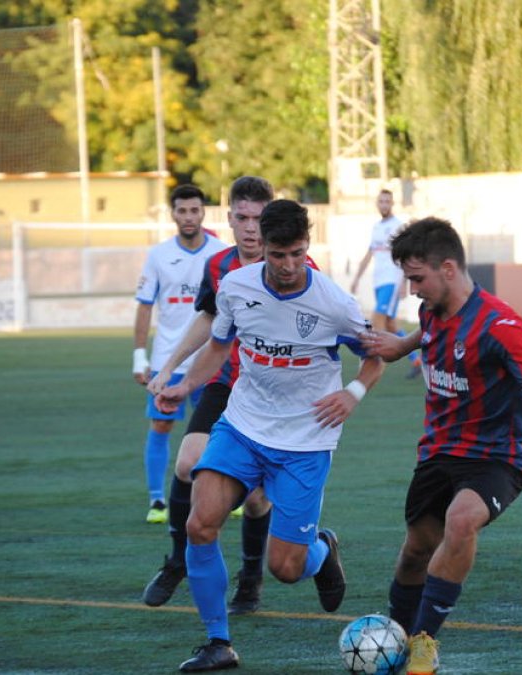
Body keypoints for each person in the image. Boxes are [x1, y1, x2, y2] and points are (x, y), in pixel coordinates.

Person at [360, 217, 522, 675]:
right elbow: (428, 334)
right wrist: (401, 346)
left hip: (496, 457)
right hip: (438, 451)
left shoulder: (500, 326)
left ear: (448, 268)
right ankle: (397, 637)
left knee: (461, 520)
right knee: (416, 551)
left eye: (418, 278)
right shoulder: (431, 310)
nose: (412, 290)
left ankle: (424, 643)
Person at [158, 199, 385, 672]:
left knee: (285, 568)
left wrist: (354, 392)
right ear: (262, 246)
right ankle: (218, 642)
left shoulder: (334, 303)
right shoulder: (235, 287)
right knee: (201, 524)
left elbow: (374, 357)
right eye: (278, 255)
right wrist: (185, 385)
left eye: (297, 254)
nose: (287, 265)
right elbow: (219, 346)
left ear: (308, 246)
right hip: (243, 426)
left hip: (305, 442)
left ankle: (321, 551)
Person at [141, 176, 278, 614]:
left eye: (258, 219)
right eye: (242, 217)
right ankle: (178, 560)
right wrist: (170, 369)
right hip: (225, 383)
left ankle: (251, 579)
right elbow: (207, 318)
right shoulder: (218, 265)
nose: (251, 228)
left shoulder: (290, 264)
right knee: (186, 464)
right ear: (229, 218)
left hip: (269, 393)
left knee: (255, 498)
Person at [132, 184, 228, 523]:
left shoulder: (221, 254)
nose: (188, 217)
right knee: (161, 425)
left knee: (218, 430)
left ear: (203, 213)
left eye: (194, 210)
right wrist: (139, 357)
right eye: (182, 210)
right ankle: (158, 501)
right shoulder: (158, 255)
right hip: (167, 361)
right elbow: (144, 307)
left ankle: (227, 496)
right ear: (172, 214)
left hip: (212, 360)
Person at [350, 188, 421, 377]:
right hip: (378, 281)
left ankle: (372, 367)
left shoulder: (397, 226)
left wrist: (404, 282)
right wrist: (356, 278)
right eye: (381, 201)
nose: (384, 205)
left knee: (377, 319)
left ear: (392, 204)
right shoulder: (376, 228)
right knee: (390, 325)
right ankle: (416, 360)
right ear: (377, 203)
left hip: (392, 280)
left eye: (387, 201)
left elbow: (406, 254)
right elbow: (369, 254)